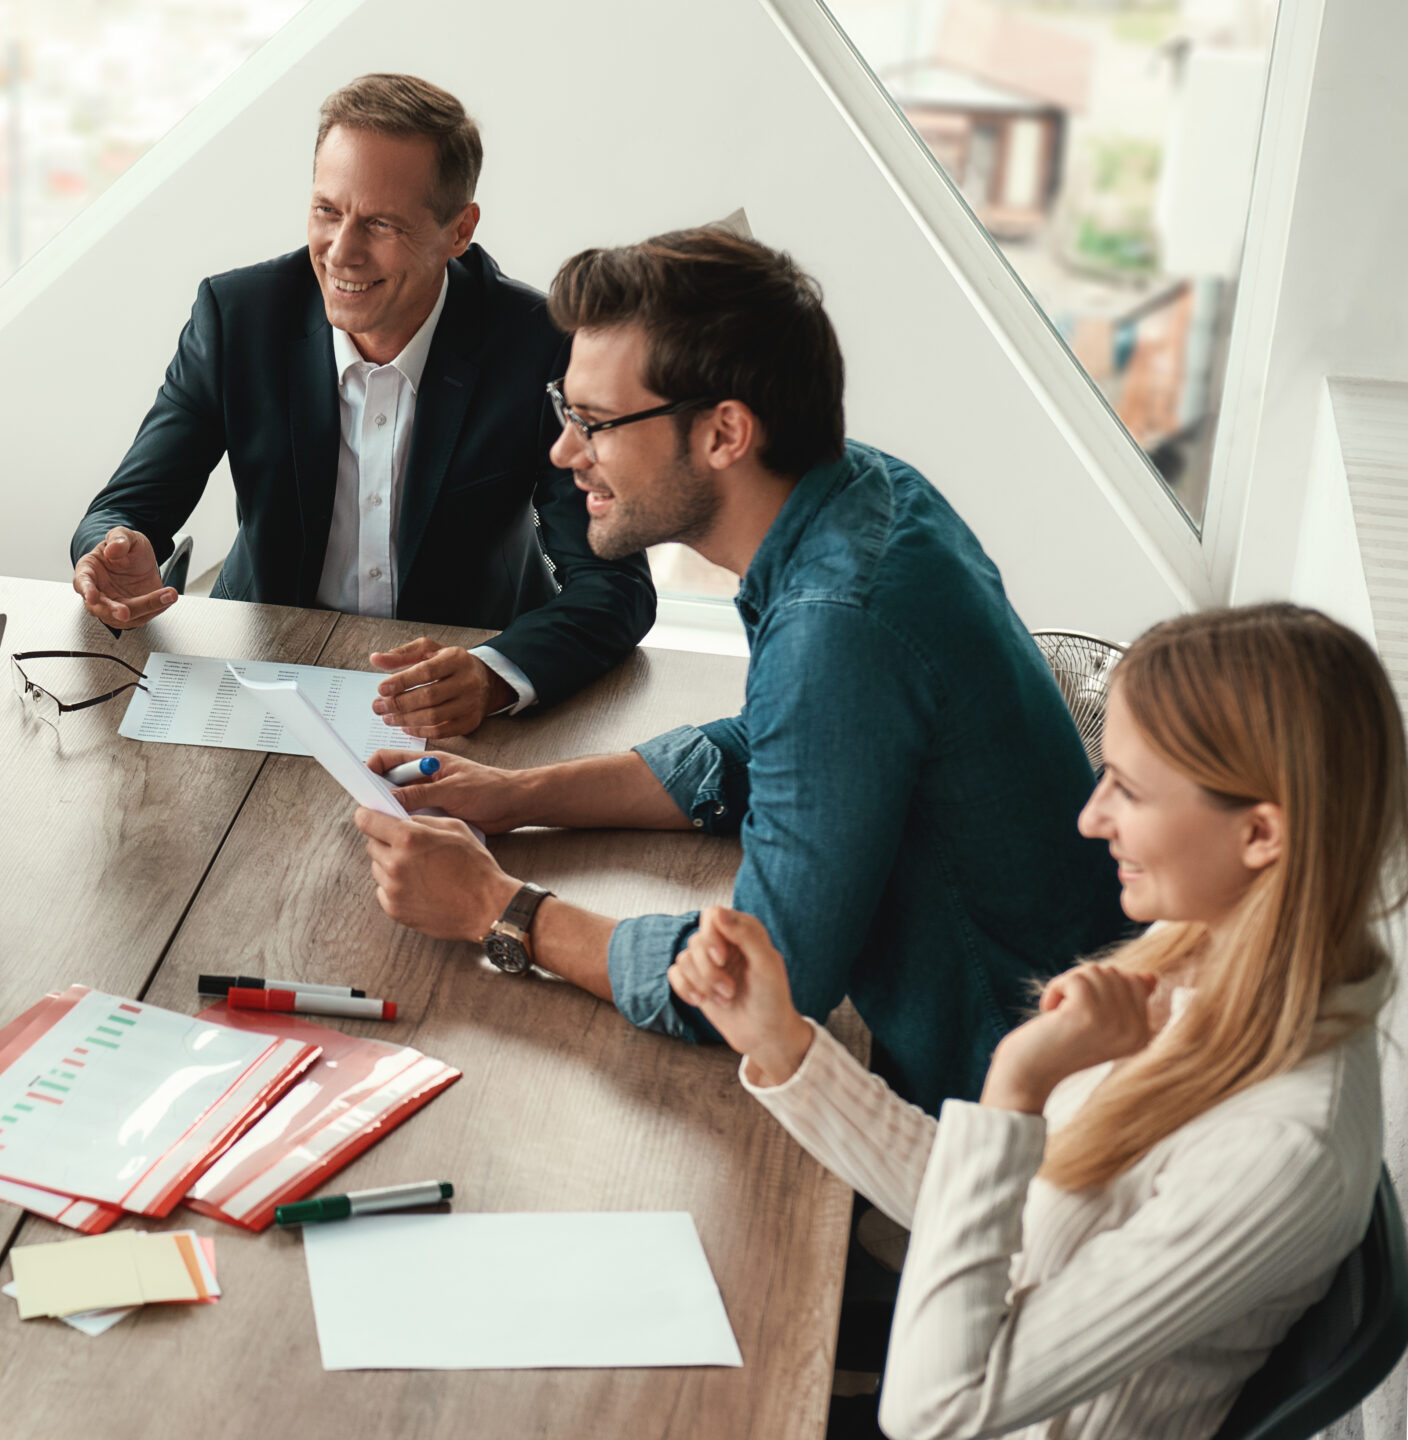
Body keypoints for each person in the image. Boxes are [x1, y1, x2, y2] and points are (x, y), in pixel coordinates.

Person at [355, 228, 1127, 1112]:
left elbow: (754, 984)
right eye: (564, 413)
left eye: (595, 424)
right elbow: (774, 747)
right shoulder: (869, 494)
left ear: (725, 431)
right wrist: (519, 797)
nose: (565, 454)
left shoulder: (838, 626)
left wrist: (498, 910)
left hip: (998, 1110)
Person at [672, 604, 1396, 1439]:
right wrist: (781, 1044)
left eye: (1128, 788)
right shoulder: (1195, 955)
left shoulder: (1277, 1151)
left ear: (1261, 834)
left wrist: (1019, 1082)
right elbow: (995, 1213)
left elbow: (936, 1412)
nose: (1093, 818)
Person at [70, 74, 654, 740]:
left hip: (459, 688)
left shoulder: (539, 345)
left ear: (459, 230)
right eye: (327, 211)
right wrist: (116, 554)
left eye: (380, 223)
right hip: (261, 675)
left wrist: (494, 673)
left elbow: (615, 589)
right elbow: (121, 511)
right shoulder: (238, 319)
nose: (341, 252)